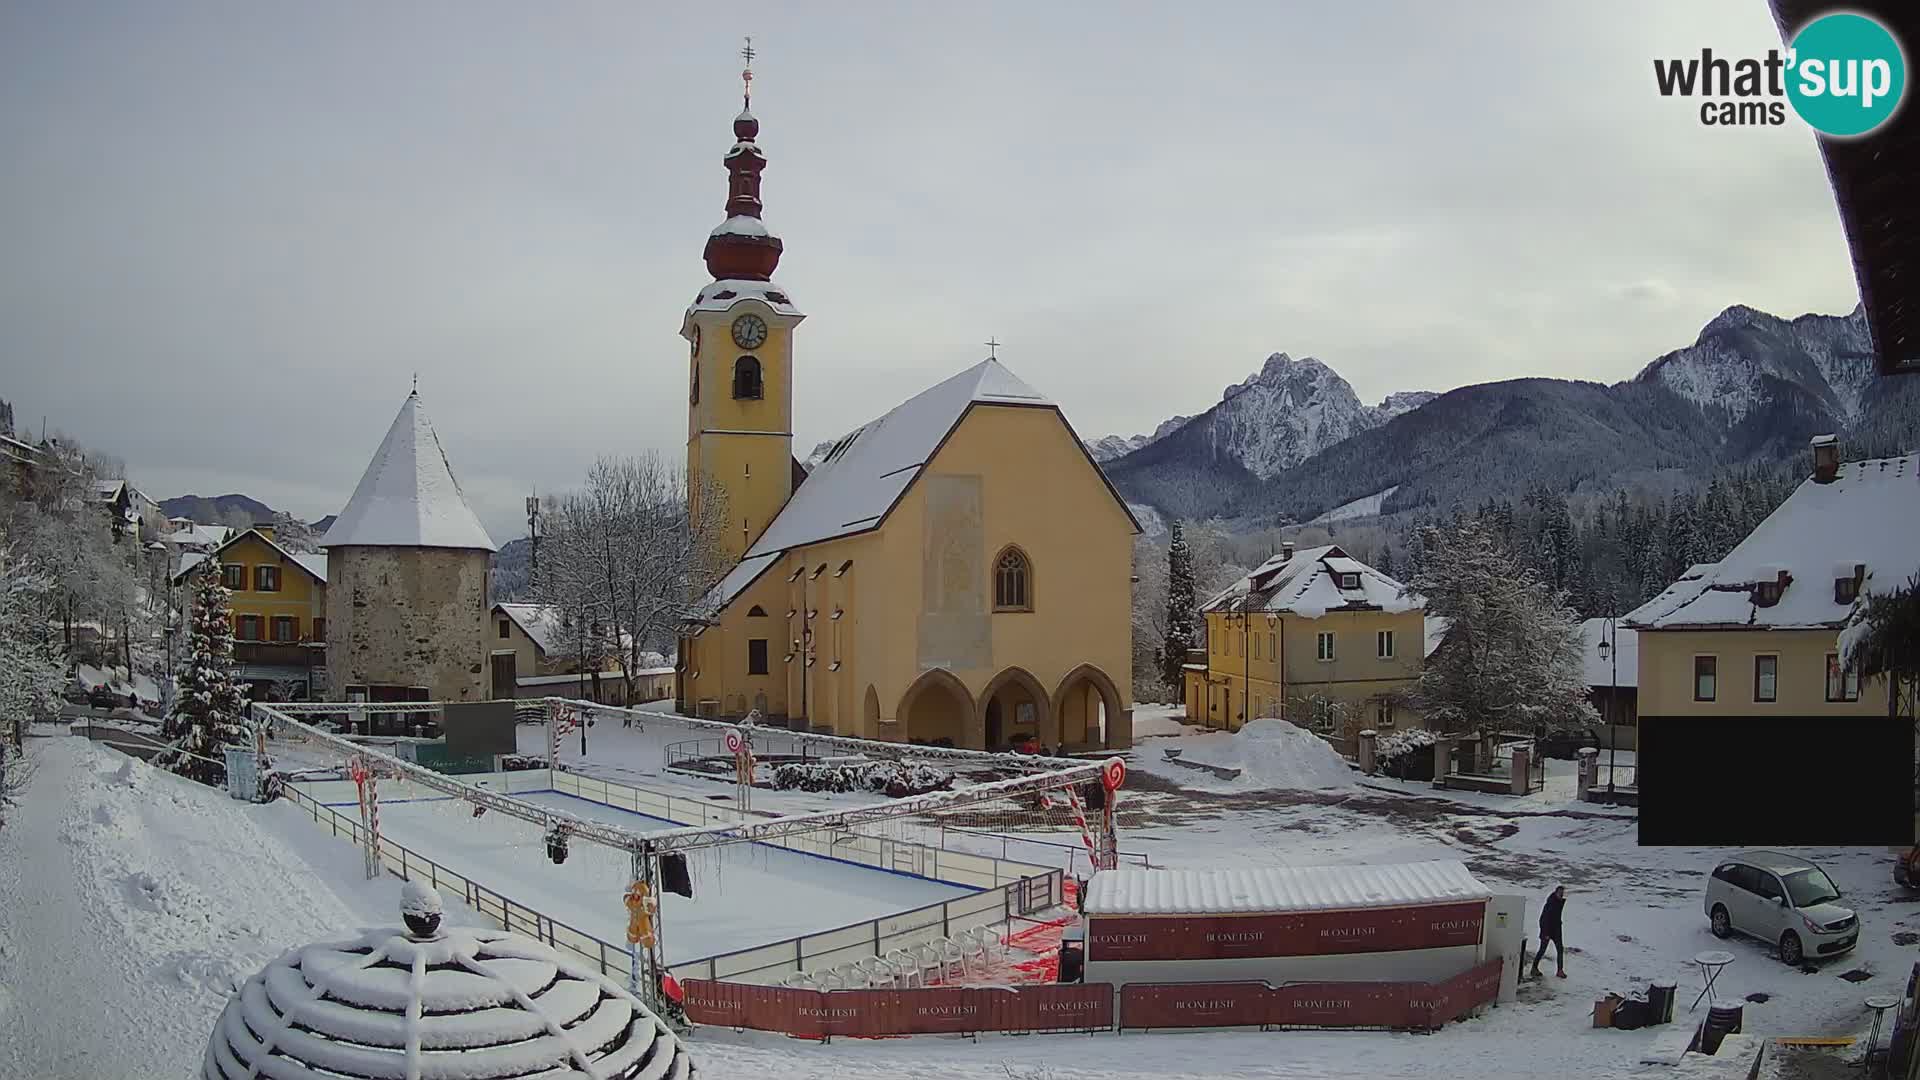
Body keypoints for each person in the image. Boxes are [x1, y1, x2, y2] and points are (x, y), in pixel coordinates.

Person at [1531, 885, 1568, 979]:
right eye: (1560, 892)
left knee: (1560, 949)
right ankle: (1534, 968)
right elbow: (1544, 919)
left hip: (1556, 931)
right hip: (1547, 931)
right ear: (1556, 892)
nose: (1562, 894)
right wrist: (1545, 933)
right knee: (1542, 950)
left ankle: (1560, 970)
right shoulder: (1550, 903)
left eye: (1562, 892)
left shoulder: (1559, 902)